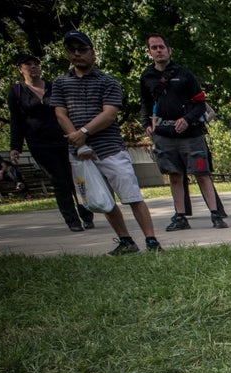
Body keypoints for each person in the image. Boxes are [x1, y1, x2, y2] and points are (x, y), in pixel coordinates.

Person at [51, 30, 162, 255]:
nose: (76, 54)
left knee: (132, 195)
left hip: (110, 148)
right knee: (103, 199)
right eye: (71, 50)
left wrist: (83, 132)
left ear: (93, 52)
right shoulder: (61, 83)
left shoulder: (107, 82)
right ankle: (126, 240)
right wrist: (77, 141)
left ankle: (151, 240)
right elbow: (60, 114)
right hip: (80, 152)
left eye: (82, 50)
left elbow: (109, 114)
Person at [139, 34, 227, 231]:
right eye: (154, 48)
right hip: (164, 134)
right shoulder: (147, 77)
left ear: (169, 50)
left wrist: (187, 120)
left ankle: (215, 214)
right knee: (174, 174)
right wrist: (147, 123)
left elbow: (200, 103)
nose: (158, 50)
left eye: (161, 47)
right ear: (149, 52)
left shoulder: (184, 74)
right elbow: (145, 102)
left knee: (201, 173)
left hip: (191, 135)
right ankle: (180, 216)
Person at [7, 51, 94, 231]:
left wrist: (79, 134)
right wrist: (15, 146)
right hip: (40, 144)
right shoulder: (16, 92)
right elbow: (16, 121)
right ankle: (72, 221)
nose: (33, 67)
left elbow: (70, 111)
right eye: (28, 64)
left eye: (35, 63)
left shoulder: (54, 87)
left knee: (75, 179)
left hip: (65, 139)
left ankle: (87, 215)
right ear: (20, 69)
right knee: (59, 181)